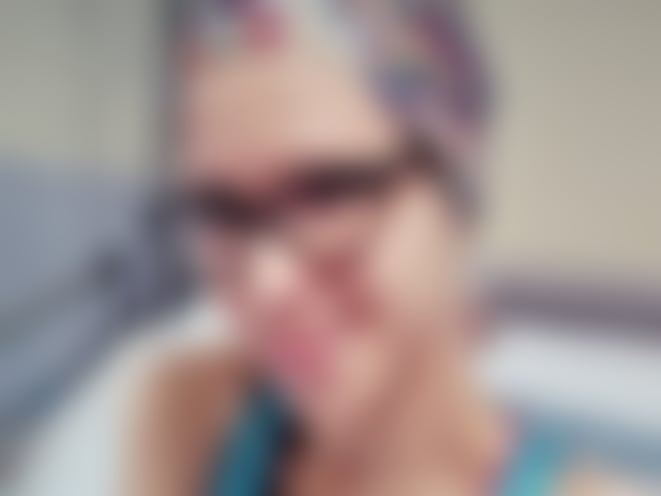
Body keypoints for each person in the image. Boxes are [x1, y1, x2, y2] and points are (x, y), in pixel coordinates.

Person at [127, 1, 648, 495]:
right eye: (222, 211)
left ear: (453, 201)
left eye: (328, 192)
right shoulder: (196, 417)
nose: (268, 285)